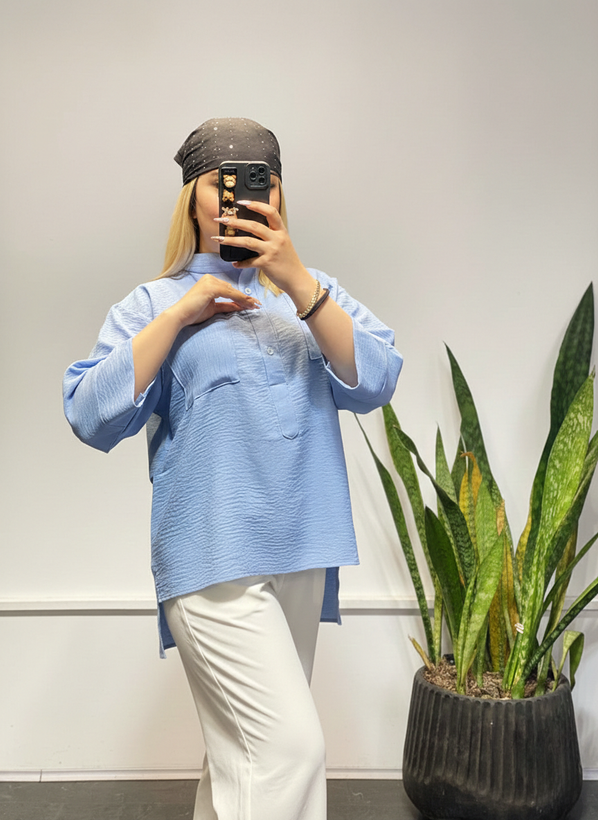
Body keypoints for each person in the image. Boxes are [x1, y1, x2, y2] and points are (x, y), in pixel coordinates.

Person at [63, 117, 402, 820]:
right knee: (286, 755)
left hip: (302, 549)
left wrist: (297, 281)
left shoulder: (311, 291)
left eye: (258, 182)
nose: (238, 197)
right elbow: (89, 414)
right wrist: (179, 317)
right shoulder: (152, 304)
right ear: (191, 199)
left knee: (243, 763)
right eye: (220, 184)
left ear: (277, 195)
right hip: (211, 559)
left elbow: (377, 379)